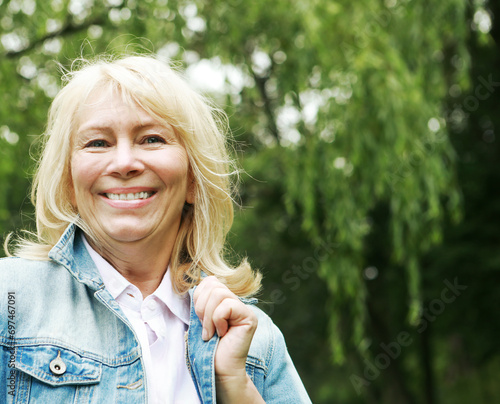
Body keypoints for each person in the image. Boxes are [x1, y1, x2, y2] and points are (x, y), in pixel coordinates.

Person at [0, 55, 311, 403]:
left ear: (194, 179)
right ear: (69, 183)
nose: (124, 163)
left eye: (151, 139)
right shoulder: (8, 299)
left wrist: (235, 384)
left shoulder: (254, 338)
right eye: (98, 143)